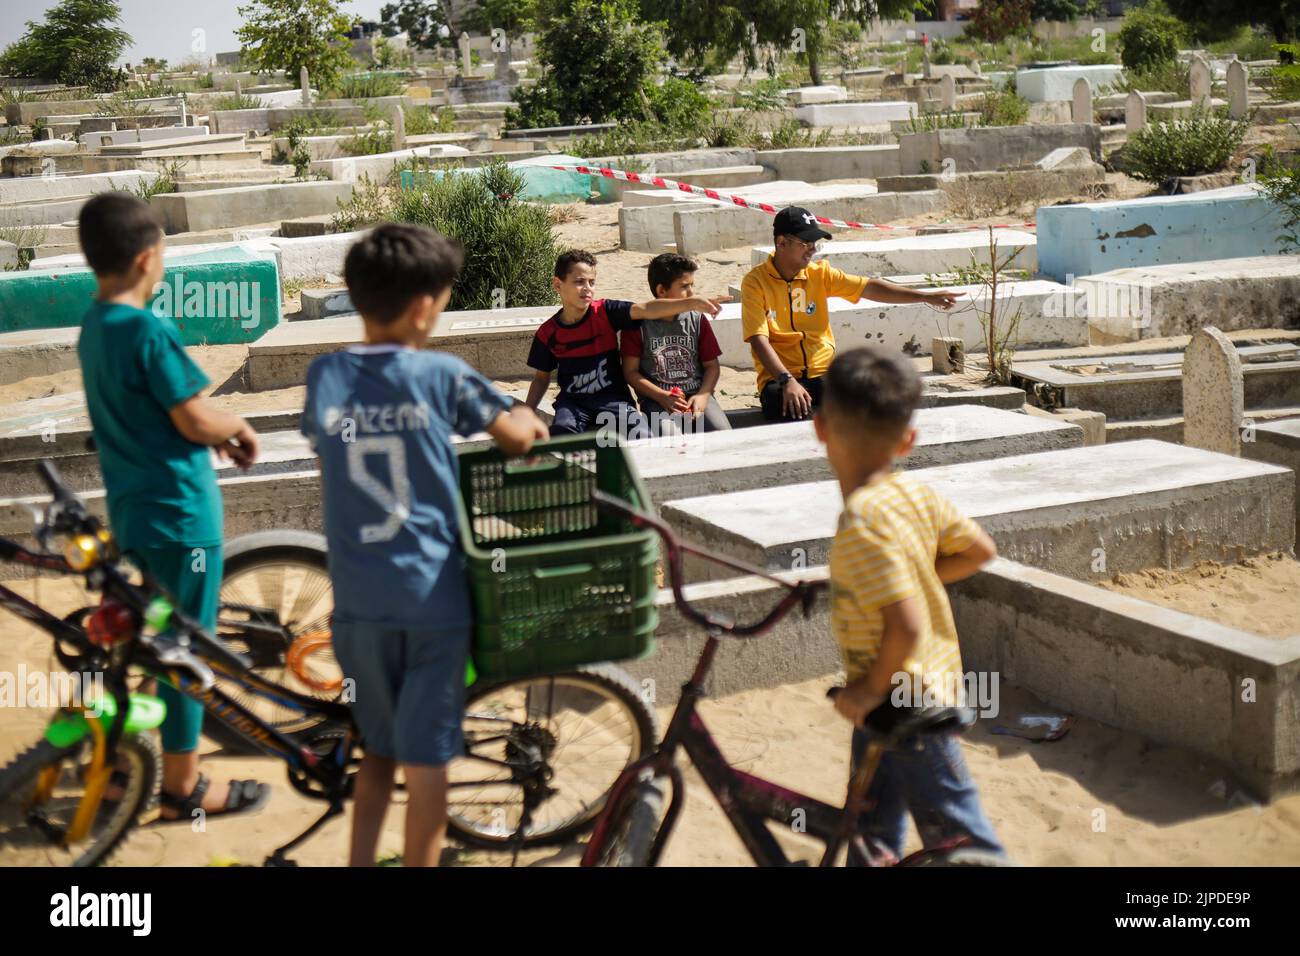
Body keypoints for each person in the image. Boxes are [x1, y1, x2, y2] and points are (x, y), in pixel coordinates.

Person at [300, 224, 548, 866]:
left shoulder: (326, 375)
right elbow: (515, 438)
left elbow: (329, 441)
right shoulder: (440, 374)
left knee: (377, 748)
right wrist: (528, 418)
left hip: (356, 605)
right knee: (429, 757)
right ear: (423, 307)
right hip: (434, 600)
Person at [76, 192, 269, 821]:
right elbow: (190, 416)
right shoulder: (146, 330)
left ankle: (108, 773)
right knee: (182, 650)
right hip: (181, 515)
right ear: (145, 259)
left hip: (133, 512)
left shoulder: (94, 327)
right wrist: (235, 425)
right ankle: (182, 786)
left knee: (134, 646)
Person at [814, 347, 1004, 862]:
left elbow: (907, 627)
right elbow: (979, 551)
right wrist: (922, 578)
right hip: (898, 697)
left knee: (966, 843)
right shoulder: (915, 493)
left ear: (821, 428)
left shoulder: (861, 520)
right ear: (908, 439)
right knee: (868, 830)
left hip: (903, 700)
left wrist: (868, 690)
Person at [740, 206, 962, 422]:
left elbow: (869, 287)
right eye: (806, 243)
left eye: (814, 244)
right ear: (781, 243)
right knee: (792, 410)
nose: (812, 250)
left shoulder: (820, 274)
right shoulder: (755, 282)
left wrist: (924, 296)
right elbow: (758, 339)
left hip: (823, 373)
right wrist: (787, 380)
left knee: (871, 400)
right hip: (779, 379)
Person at [525, 249, 728, 440]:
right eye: (579, 281)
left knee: (642, 436)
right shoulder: (548, 333)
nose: (587, 288)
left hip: (614, 401)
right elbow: (541, 379)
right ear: (558, 284)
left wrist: (692, 303)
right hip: (573, 404)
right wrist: (527, 413)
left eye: (592, 282)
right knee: (561, 434)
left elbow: (646, 308)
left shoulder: (606, 311)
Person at [621, 253, 731, 435]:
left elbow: (712, 366)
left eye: (692, 286)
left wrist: (703, 395)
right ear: (661, 290)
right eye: (684, 286)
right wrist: (661, 396)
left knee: (723, 434)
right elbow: (630, 372)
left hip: (696, 394)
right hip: (657, 399)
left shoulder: (696, 319)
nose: (691, 293)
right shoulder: (638, 325)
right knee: (670, 439)